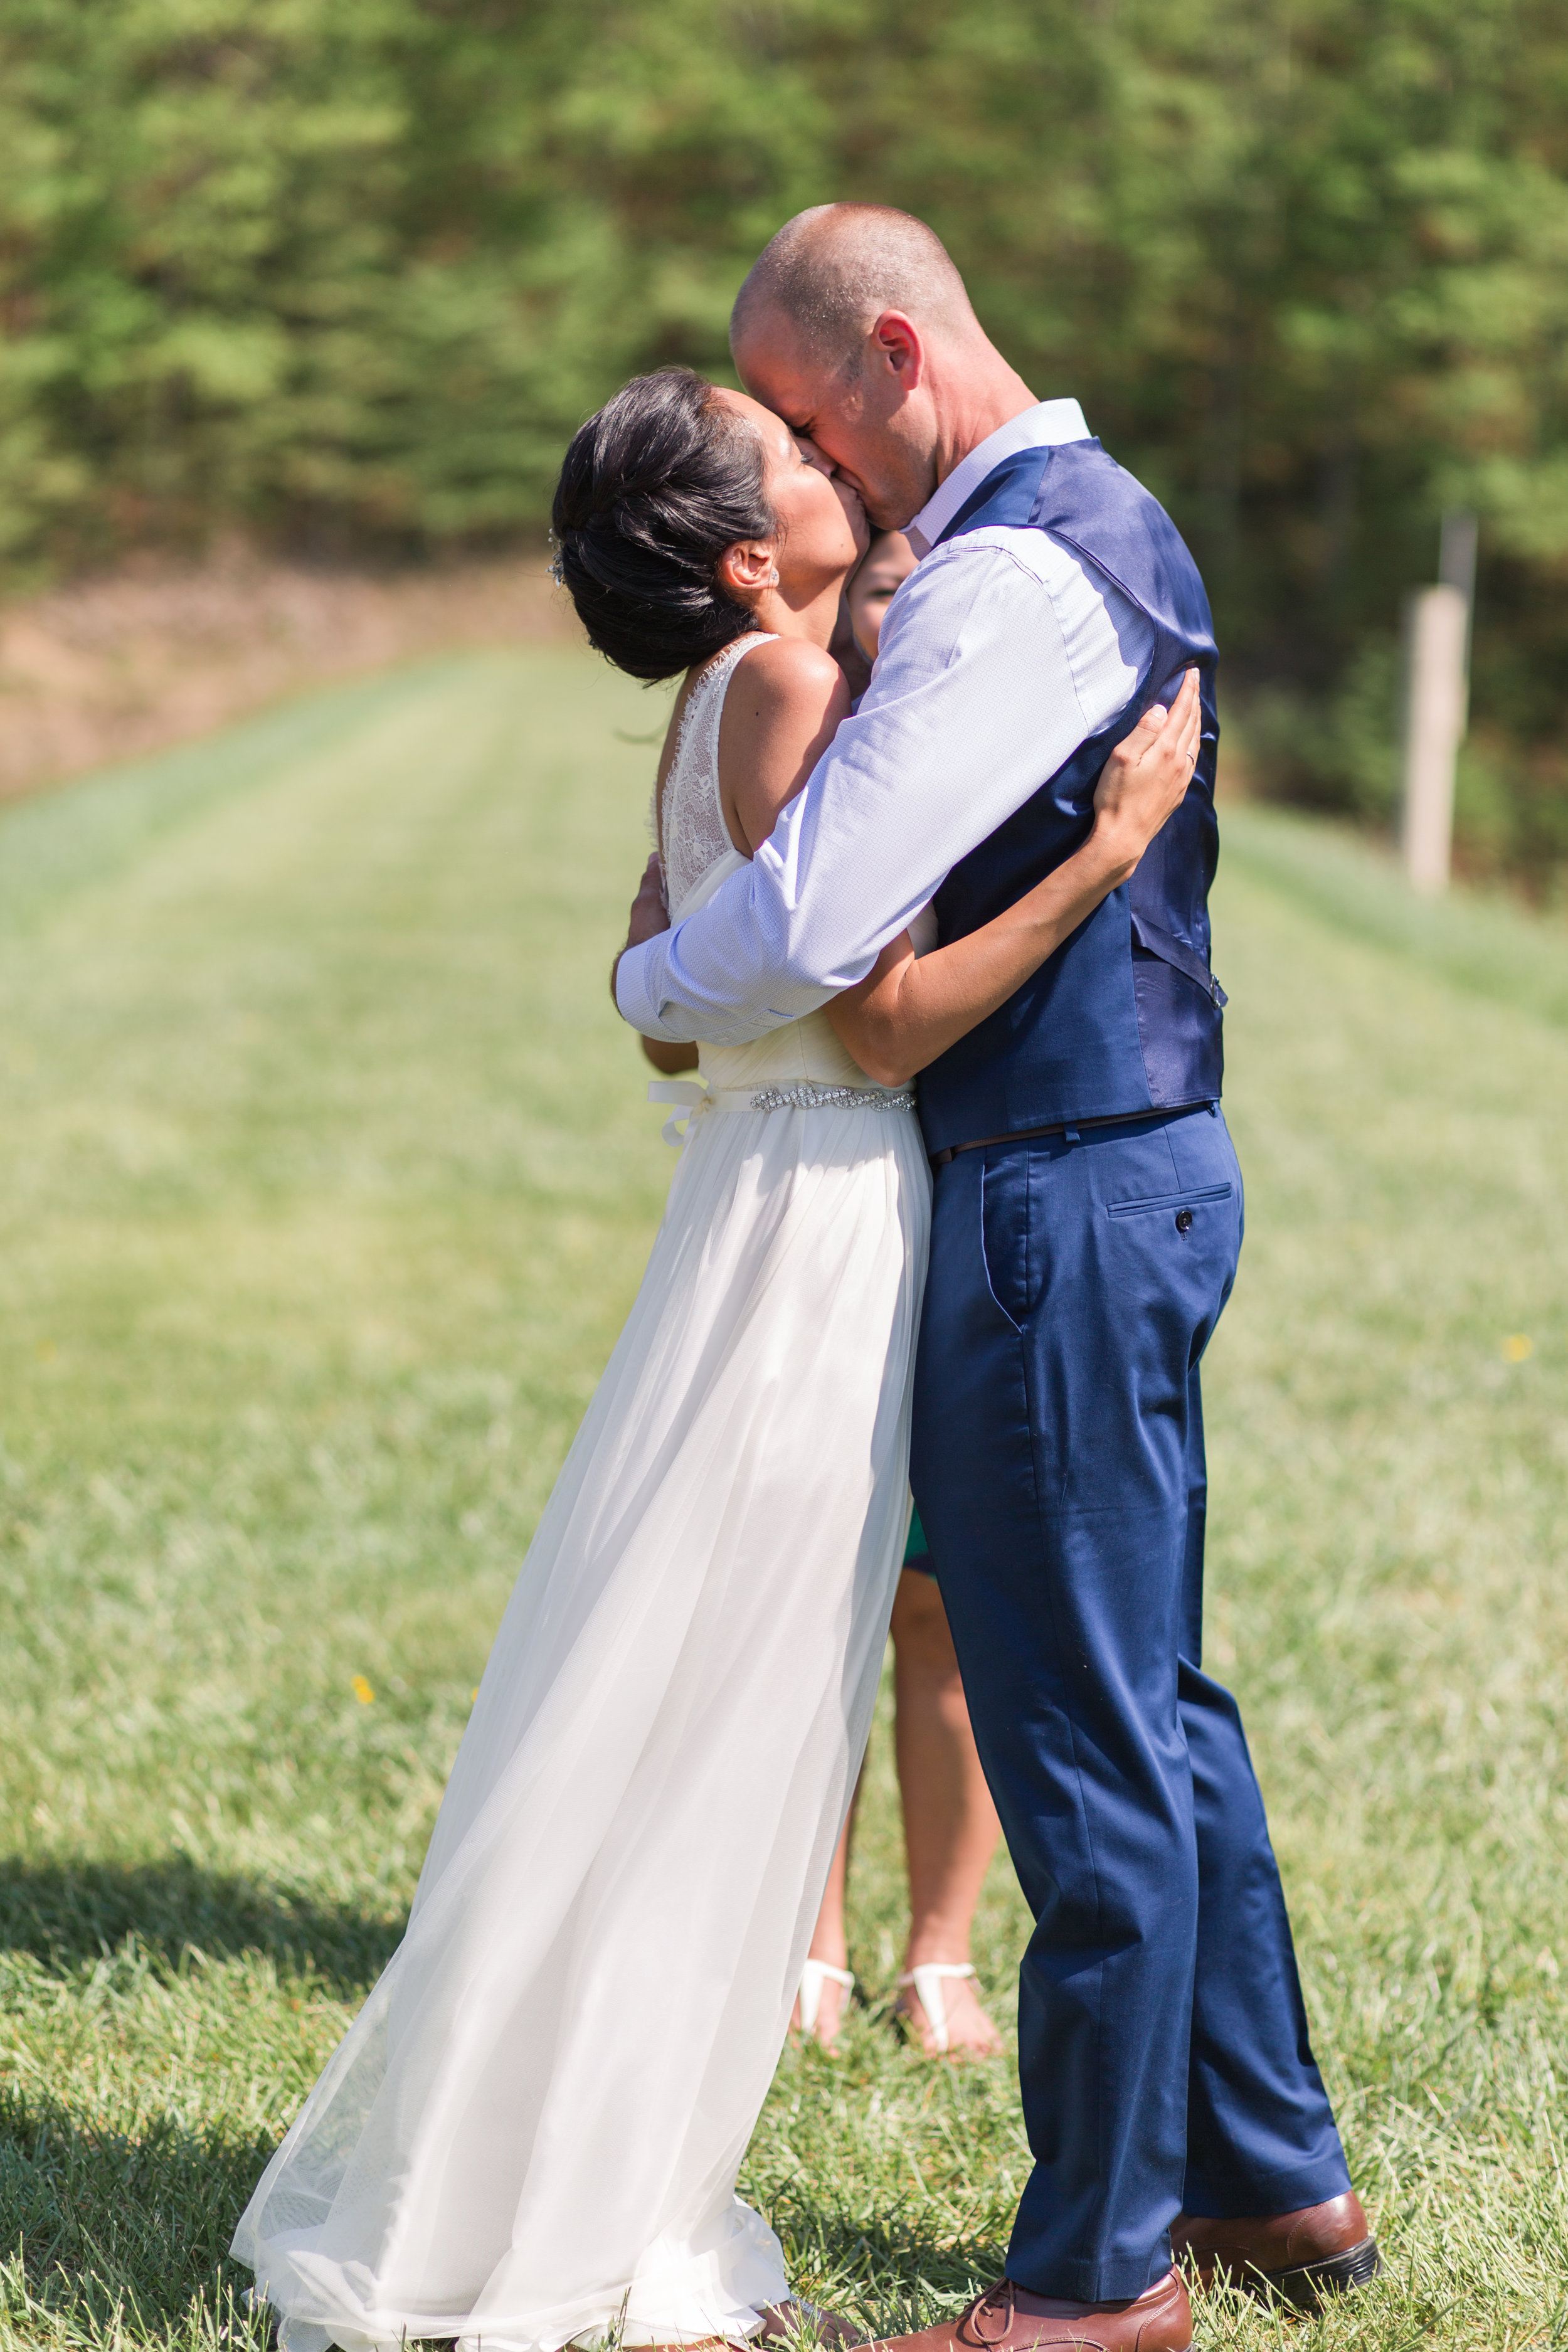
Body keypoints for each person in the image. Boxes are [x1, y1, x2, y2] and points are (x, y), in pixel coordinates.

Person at [230, 361, 1199, 2352]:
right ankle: (608, 2208)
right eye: (790, 455)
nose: (831, 451)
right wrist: (1105, 848)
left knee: (686, 1680)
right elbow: (886, 1020)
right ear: (755, 553)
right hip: (827, 1211)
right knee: (733, 1708)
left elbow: (680, 1016)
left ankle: (578, 2155)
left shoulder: (715, 697)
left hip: (747, 1204)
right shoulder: (786, 688)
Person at [615, 206, 1384, 2352]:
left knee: (1083, 1744)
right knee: (1157, 1707)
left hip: (1061, 1190)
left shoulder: (1020, 575)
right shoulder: (1027, 542)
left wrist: (636, 979)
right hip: (1097, 1178)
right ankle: (1270, 2179)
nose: (792, 454)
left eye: (790, 408)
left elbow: (810, 937)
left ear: (883, 354)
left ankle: (1097, 2276)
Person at [797, 526, 1005, 2063]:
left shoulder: (1001, 759)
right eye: (886, 576)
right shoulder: (801, 754)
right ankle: (803, 1932)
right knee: (813, 1601)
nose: (910, 596)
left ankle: (940, 1952)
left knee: (941, 1611)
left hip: (973, 1220)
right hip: (830, 1216)